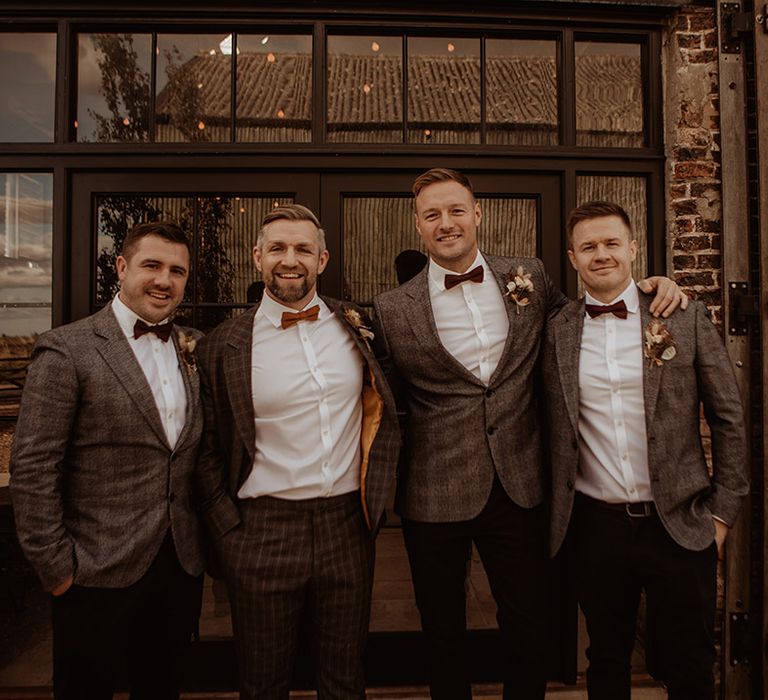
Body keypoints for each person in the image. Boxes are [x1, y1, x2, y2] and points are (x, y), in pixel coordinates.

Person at [373, 168, 686, 700]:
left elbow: (587, 318)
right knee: (442, 635)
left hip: (519, 484)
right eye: (432, 215)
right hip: (433, 492)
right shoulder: (391, 309)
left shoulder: (529, 276)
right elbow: (382, 402)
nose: (446, 223)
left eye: (455, 210)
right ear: (418, 224)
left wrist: (652, 284)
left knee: (528, 627)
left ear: (477, 214)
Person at [542, 201, 749, 699]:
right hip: (596, 527)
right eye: (588, 246)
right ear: (572, 258)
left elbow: (729, 418)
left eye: (612, 243)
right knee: (606, 660)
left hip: (679, 521)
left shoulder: (683, 316)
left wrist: (721, 515)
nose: (601, 255)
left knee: (689, 664)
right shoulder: (555, 330)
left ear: (634, 249)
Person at [195, 203, 400, 699]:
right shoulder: (222, 345)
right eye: (279, 248)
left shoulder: (357, 327)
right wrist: (229, 530)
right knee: (263, 682)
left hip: (346, 525)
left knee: (345, 678)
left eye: (303, 248)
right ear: (257, 257)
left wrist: (379, 504)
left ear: (323, 259)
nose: (291, 259)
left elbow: (392, 410)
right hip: (261, 529)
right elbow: (204, 447)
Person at [10, 221, 204, 700]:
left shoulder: (195, 345)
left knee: (162, 689)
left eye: (176, 271)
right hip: (93, 573)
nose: (164, 280)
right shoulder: (68, 348)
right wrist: (57, 571)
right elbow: (33, 468)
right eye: (151, 266)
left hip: (178, 569)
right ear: (121, 267)